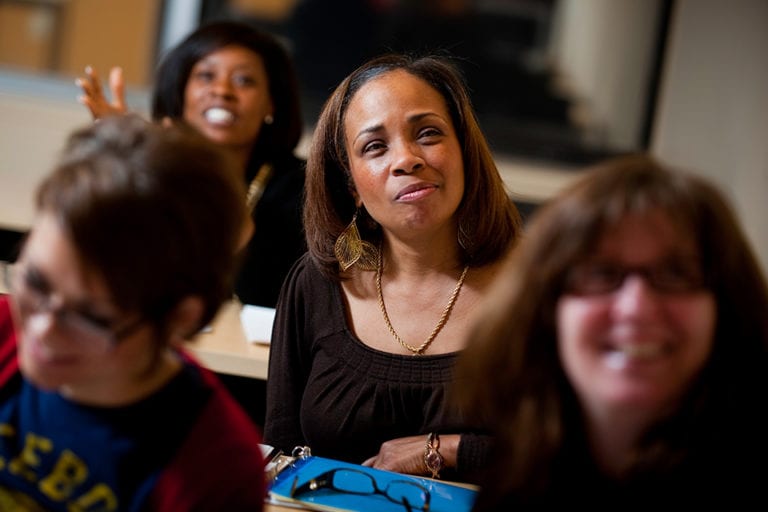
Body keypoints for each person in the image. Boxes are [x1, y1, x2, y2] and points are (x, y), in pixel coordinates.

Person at [453, 154, 768, 508]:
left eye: (676, 273)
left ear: (726, 306)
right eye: (601, 274)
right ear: (545, 309)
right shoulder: (515, 479)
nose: (636, 308)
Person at [263, 53, 523, 482]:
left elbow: (578, 458)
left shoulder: (540, 288)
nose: (406, 159)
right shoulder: (316, 283)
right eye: (375, 147)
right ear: (353, 188)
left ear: (464, 151)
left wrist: (447, 449)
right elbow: (282, 459)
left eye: (428, 133)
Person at [0, 115, 265, 511]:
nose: (41, 329)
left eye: (91, 317)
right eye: (36, 282)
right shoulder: (6, 328)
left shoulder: (214, 468)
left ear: (181, 319)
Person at [76, 20, 306, 308]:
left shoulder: (304, 190)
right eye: (206, 76)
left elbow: (272, 296)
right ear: (181, 93)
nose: (222, 91)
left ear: (271, 103)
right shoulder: (153, 168)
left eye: (244, 80)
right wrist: (124, 157)